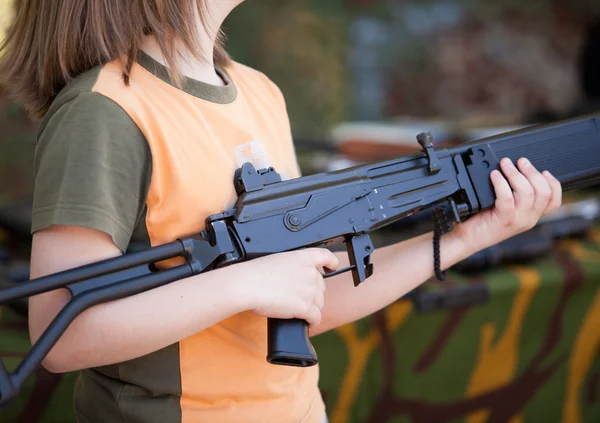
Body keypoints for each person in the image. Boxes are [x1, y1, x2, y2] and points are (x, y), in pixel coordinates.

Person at [0, 1, 562, 422]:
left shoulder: (258, 92)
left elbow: (312, 296)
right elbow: (60, 334)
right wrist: (244, 283)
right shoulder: (105, 111)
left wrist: (468, 238)